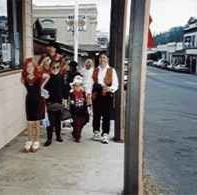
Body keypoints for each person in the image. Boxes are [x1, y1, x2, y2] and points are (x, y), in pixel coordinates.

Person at [21, 58, 50, 152]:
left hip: (38, 100)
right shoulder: (24, 78)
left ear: (34, 67)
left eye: (31, 66)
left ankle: (36, 141)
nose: (29, 68)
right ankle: (29, 140)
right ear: (25, 68)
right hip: (29, 100)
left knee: (36, 122)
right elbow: (24, 84)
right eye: (27, 66)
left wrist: (42, 86)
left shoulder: (39, 76)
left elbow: (48, 76)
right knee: (29, 122)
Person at [92, 51, 118, 144]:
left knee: (106, 115)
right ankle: (96, 132)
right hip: (96, 93)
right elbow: (91, 82)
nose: (102, 59)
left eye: (104, 58)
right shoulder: (96, 70)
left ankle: (105, 134)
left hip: (106, 94)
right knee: (96, 114)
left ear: (107, 59)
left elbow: (115, 85)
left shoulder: (111, 70)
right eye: (100, 58)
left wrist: (109, 89)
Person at [44, 60, 66, 147]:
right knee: (50, 122)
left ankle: (58, 136)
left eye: (57, 67)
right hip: (50, 102)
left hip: (59, 102)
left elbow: (64, 89)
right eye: (53, 67)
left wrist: (64, 99)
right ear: (50, 68)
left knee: (58, 121)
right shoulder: (48, 77)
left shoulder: (61, 77)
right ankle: (49, 138)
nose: (55, 69)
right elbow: (44, 89)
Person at [69, 75, 89, 143]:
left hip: (83, 111)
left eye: (79, 85)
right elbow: (70, 104)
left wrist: (87, 109)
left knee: (82, 123)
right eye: (76, 86)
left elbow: (85, 102)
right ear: (73, 86)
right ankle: (78, 136)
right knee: (77, 124)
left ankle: (75, 132)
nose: (77, 87)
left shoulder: (83, 93)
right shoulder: (71, 94)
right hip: (75, 112)